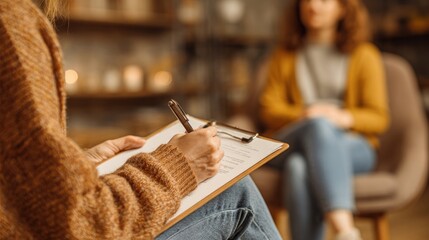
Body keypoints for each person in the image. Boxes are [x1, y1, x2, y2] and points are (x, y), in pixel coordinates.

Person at [0, 0, 281, 239]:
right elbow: (77, 225)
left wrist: (79, 165)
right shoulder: (11, 25)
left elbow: (20, 188)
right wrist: (180, 165)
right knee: (236, 194)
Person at [259, 0, 389, 239]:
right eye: (306, 0)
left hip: (352, 145)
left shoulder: (365, 55)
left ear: (342, 8)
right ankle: (345, 230)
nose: (313, 5)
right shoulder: (284, 55)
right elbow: (269, 108)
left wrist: (340, 117)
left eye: (323, 0)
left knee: (298, 167)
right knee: (317, 127)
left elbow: (378, 117)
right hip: (296, 135)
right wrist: (306, 115)